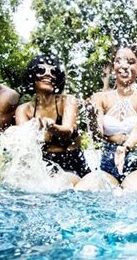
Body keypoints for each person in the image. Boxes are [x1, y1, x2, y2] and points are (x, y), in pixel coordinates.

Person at [75, 45, 137, 191]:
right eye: (119, 61)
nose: (124, 66)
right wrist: (92, 120)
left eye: (131, 62)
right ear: (113, 68)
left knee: (133, 191)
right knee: (84, 188)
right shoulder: (100, 97)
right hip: (108, 164)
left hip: (136, 162)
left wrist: (125, 147)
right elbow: (97, 135)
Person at [15, 54, 89, 183]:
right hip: (42, 166)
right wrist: (34, 131)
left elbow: (68, 131)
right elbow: (24, 144)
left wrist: (51, 127)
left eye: (53, 71)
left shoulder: (68, 101)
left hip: (72, 164)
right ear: (32, 76)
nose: (48, 74)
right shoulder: (23, 110)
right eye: (41, 70)